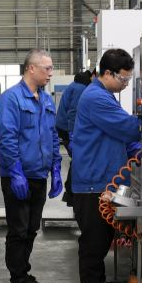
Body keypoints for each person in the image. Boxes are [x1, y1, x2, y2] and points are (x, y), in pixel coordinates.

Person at [69, 49, 142, 283]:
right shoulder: (96, 98)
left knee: (103, 240)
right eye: (123, 79)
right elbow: (128, 128)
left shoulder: (105, 95)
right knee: (94, 243)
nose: (125, 84)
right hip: (93, 183)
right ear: (108, 73)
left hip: (103, 181)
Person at [0, 48, 62, 283]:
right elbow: (7, 138)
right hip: (18, 178)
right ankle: (17, 282)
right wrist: (15, 173)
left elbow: (52, 135)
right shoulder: (11, 99)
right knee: (18, 231)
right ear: (31, 68)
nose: (51, 73)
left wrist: (56, 167)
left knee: (32, 229)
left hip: (38, 176)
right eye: (47, 68)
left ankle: (24, 274)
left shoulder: (45, 100)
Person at [54, 69, 94, 205]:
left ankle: (71, 194)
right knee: (78, 159)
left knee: (77, 159)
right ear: (93, 76)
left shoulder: (78, 84)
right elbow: (73, 112)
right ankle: (71, 194)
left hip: (64, 127)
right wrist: (72, 135)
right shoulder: (80, 88)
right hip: (67, 129)